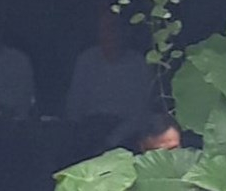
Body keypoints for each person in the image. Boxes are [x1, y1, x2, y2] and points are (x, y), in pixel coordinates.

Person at [64, 12, 157, 155]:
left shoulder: (139, 64)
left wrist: (111, 141)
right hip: (89, 129)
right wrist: (74, 133)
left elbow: (141, 112)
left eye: (113, 28)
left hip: (126, 134)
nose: (108, 34)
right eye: (103, 29)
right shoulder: (87, 59)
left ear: (125, 32)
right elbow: (75, 101)